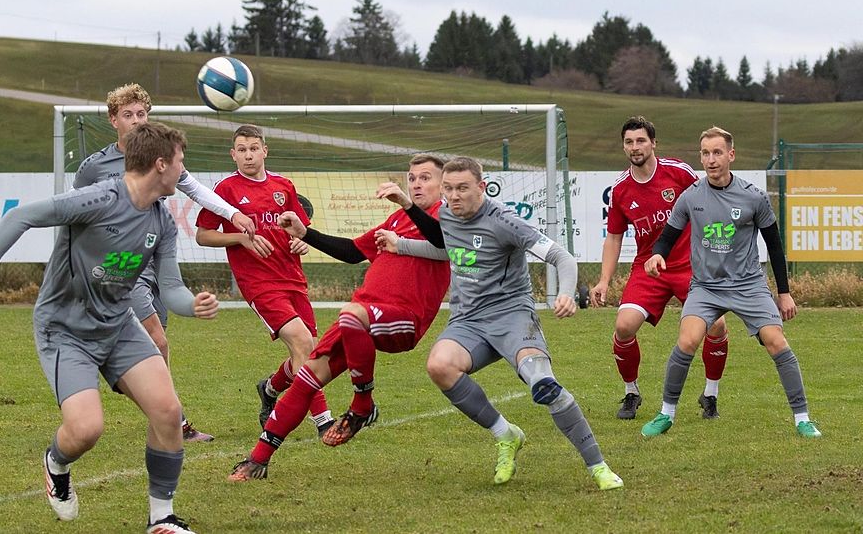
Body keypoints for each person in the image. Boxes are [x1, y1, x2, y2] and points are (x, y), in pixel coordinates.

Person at [0, 122, 216, 533]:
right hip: (65, 328)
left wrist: (194, 304)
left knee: (168, 412)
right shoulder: (98, 198)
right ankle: (56, 463)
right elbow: (18, 217)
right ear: (160, 164)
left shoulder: (162, 222)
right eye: (181, 162)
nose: (184, 171)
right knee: (86, 429)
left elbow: (171, 289)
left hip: (118, 325)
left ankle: (161, 519)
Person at [383, 156, 624, 489]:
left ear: (481, 187)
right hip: (468, 320)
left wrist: (567, 293)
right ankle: (505, 434)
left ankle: (598, 467)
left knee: (543, 384)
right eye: (449, 189)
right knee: (439, 366)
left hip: (512, 316)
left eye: (462, 189)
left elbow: (561, 257)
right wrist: (402, 245)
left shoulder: (504, 221)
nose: (454, 196)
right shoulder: (446, 215)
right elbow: (450, 250)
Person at [227, 154, 450, 481]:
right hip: (363, 317)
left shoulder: (448, 215)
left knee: (350, 313)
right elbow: (351, 252)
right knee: (306, 378)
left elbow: (442, 240)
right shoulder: (395, 221)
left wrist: (405, 203)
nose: (417, 184)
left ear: (443, 184)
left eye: (426, 178)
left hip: (403, 318)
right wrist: (305, 233)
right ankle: (257, 460)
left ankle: (362, 405)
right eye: (412, 178)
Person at [75, 83, 255, 442]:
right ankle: (174, 421)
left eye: (142, 113)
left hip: (153, 259)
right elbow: (74, 213)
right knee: (157, 341)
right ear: (114, 120)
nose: (137, 120)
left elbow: (195, 189)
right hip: (118, 269)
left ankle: (144, 395)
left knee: (156, 343)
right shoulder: (94, 167)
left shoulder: (161, 156)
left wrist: (233, 214)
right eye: (128, 115)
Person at [640, 127, 821, 439]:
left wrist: (785, 293)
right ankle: (666, 414)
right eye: (706, 153)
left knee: (776, 342)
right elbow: (667, 236)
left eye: (717, 153)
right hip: (706, 288)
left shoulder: (754, 197)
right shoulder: (691, 197)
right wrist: (658, 255)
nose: (711, 160)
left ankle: (802, 419)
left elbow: (775, 246)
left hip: (748, 285)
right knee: (686, 341)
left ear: (731, 155)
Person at [194, 124, 332, 434]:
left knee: (309, 348)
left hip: (293, 278)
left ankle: (270, 388)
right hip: (258, 282)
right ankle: (324, 421)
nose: (248, 155)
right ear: (233, 155)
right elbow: (202, 236)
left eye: (253, 148)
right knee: (301, 341)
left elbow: (301, 230)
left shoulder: (284, 186)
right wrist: (240, 239)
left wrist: (302, 242)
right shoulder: (226, 190)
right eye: (241, 150)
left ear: (265, 151)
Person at [590, 116, 729, 420]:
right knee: (624, 326)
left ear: (653, 143)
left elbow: (708, 202)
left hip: (690, 265)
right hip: (648, 268)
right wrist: (603, 281)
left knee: (716, 326)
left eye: (641, 141)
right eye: (629, 142)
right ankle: (631, 392)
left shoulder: (678, 172)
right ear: (624, 146)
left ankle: (710, 394)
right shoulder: (621, 189)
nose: (635, 147)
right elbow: (613, 238)